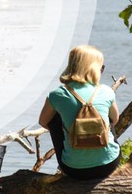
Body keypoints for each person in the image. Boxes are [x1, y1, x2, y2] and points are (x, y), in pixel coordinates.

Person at [38, 45, 121, 179]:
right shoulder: (107, 91)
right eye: (101, 67)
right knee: (108, 118)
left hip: (73, 169)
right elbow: (115, 120)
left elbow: (43, 122)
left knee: (53, 120)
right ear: (94, 68)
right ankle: (103, 152)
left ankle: (73, 154)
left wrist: (70, 129)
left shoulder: (57, 94)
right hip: (108, 165)